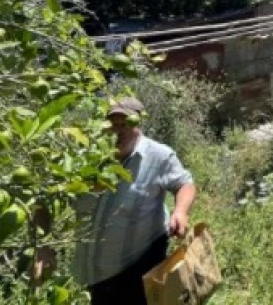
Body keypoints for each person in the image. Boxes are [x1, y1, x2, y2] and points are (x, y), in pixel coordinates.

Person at [70, 96, 196, 305]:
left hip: (140, 269)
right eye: (113, 124)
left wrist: (180, 211)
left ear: (138, 125)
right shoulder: (89, 159)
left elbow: (185, 184)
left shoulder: (158, 156)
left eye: (125, 124)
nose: (118, 130)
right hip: (97, 276)